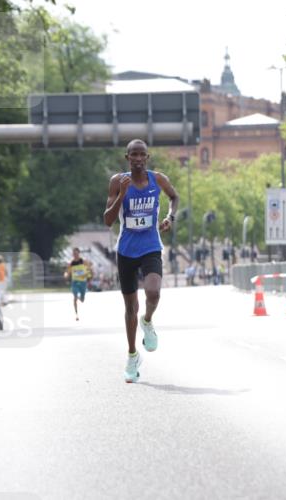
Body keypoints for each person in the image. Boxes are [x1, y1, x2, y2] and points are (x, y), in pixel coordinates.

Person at [104, 139, 179, 383]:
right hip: (126, 250)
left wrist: (170, 217)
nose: (138, 159)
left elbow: (174, 197)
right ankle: (132, 355)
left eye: (142, 155)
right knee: (129, 308)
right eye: (133, 155)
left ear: (147, 158)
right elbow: (107, 220)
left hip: (150, 246)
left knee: (154, 293)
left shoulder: (158, 179)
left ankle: (148, 321)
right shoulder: (118, 181)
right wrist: (122, 195)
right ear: (127, 158)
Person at [64, 247, 91, 321]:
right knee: (75, 297)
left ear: (79, 253)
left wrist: (88, 276)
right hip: (75, 282)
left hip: (83, 282)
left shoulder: (83, 261)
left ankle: (80, 297)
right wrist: (66, 275)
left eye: (76, 253)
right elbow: (68, 272)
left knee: (82, 299)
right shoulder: (71, 263)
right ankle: (76, 314)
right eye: (74, 254)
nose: (75, 255)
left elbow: (88, 269)